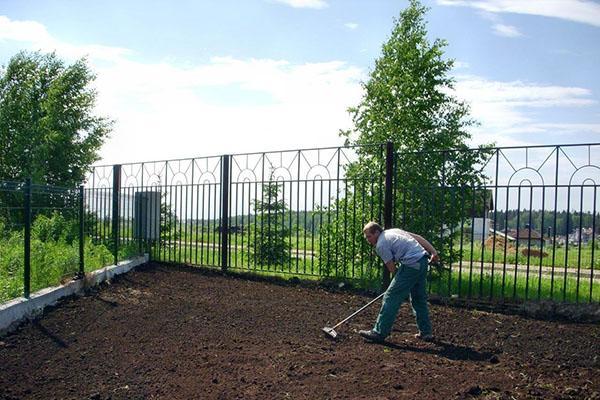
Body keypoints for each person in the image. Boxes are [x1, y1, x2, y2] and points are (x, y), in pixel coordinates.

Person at [358, 221, 439, 343]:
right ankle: (426, 332)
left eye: (369, 236)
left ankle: (379, 332)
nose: (368, 240)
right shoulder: (394, 231)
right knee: (418, 298)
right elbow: (419, 238)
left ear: (377, 232)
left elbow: (392, 269)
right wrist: (434, 252)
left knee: (391, 297)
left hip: (411, 264)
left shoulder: (381, 244)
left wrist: (397, 284)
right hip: (422, 261)